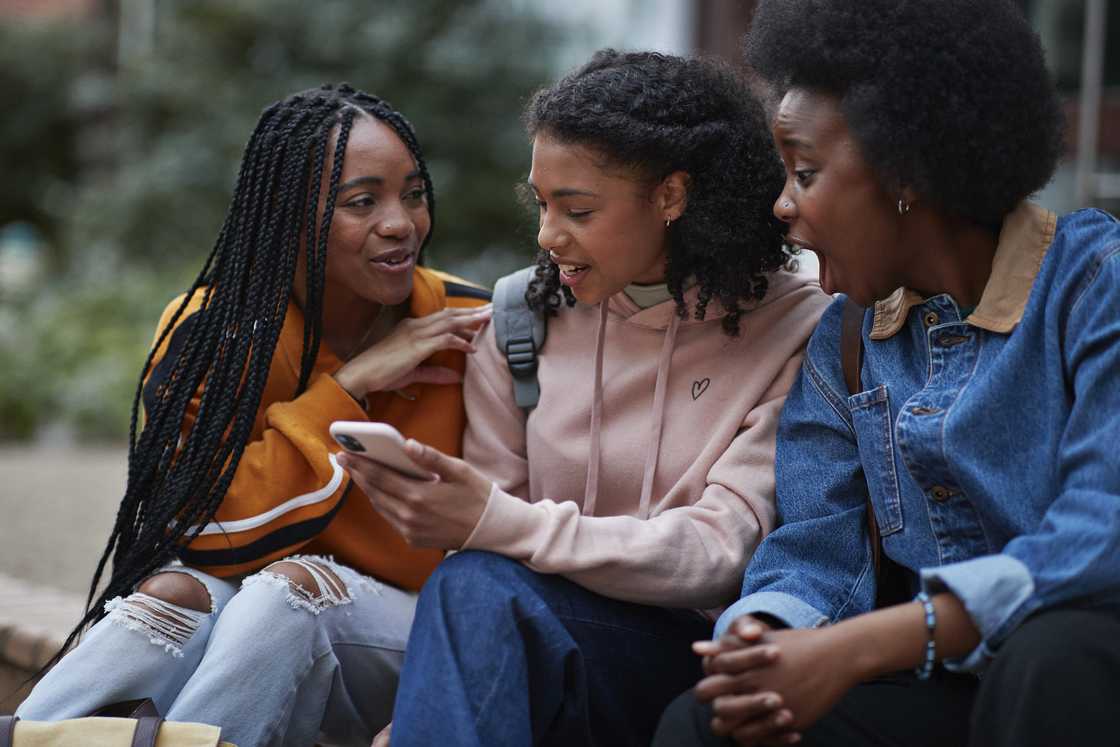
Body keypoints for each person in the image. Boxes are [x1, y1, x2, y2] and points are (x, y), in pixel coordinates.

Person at [654, 1, 1120, 745]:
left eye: (805, 171)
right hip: (947, 684)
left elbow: (1101, 537)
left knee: (1048, 659)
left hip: (1080, 673)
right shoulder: (845, 341)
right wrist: (764, 639)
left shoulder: (1096, 286)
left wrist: (871, 642)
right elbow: (815, 549)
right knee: (717, 722)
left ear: (906, 170)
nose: (781, 204)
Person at [341, 50, 831, 747]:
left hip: (693, 667)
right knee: (471, 580)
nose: (546, 236)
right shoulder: (520, 315)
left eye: (577, 209)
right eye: (541, 204)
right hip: (544, 645)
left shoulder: (794, 326)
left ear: (671, 196)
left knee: (479, 576)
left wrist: (497, 520)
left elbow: (721, 549)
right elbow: (489, 561)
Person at [16, 83, 491, 747]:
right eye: (363, 201)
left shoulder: (468, 326)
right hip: (256, 634)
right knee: (169, 597)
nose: (401, 222)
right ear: (286, 217)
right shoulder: (216, 331)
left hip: (420, 637)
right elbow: (200, 523)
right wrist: (348, 386)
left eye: (412, 193)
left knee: (284, 593)